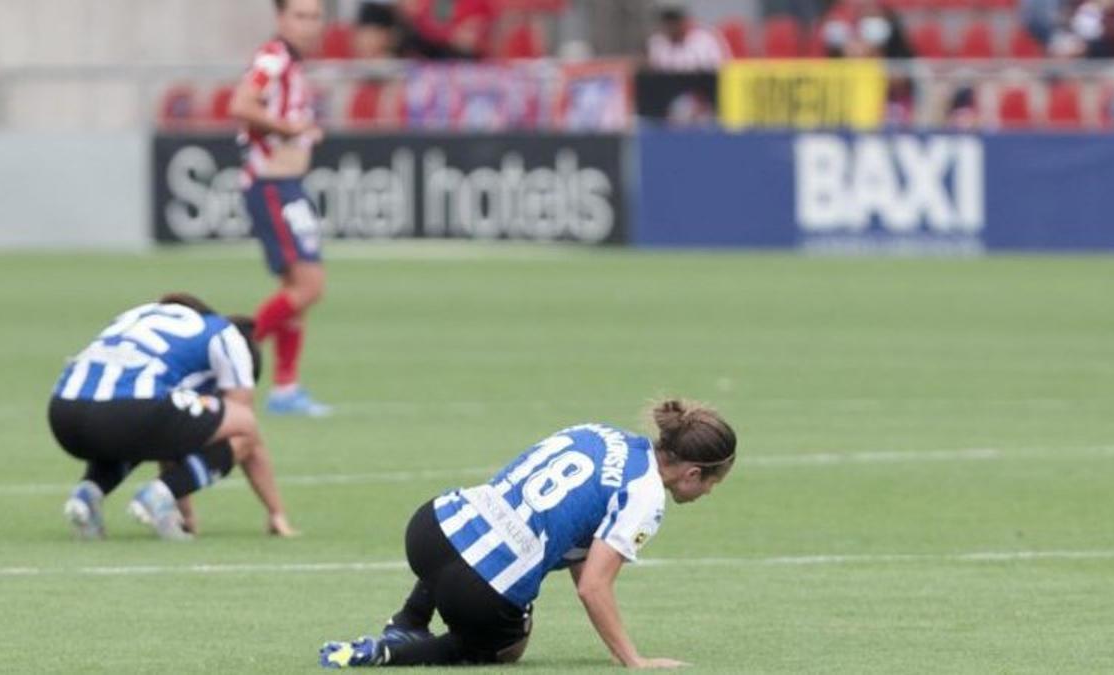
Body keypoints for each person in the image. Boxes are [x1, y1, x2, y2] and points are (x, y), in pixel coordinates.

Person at [318, 399, 737, 669]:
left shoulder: (598, 432)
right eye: (712, 485)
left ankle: (408, 620)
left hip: (431, 527)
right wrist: (633, 659)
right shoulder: (646, 495)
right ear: (692, 472)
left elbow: (577, 542)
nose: (708, 494)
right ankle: (387, 653)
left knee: (478, 539)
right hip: (478, 589)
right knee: (503, 648)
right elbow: (593, 587)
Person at [48, 294, 298, 541]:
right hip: (132, 411)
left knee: (142, 426)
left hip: (63, 414)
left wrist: (184, 515)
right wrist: (277, 512)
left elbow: (173, 437)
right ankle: (158, 497)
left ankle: (88, 494)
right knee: (242, 423)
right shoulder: (225, 335)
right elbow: (247, 429)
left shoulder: (145, 315)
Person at [229, 0, 332, 417]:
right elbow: (242, 104)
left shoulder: (291, 63)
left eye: (316, 17)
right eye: (300, 16)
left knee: (298, 289)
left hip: (287, 182)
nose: (309, 25)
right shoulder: (273, 57)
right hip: (271, 183)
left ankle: (286, 388)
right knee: (309, 286)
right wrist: (291, 128)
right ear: (281, 19)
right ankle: (229, 354)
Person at [647, 5, 729, 72]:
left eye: (675, 20)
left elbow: (721, 71)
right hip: (668, 89)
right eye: (667, 20)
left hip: (702, 88)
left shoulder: (705, 40)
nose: (671, 25)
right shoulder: (656, 43)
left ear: (685, 20)